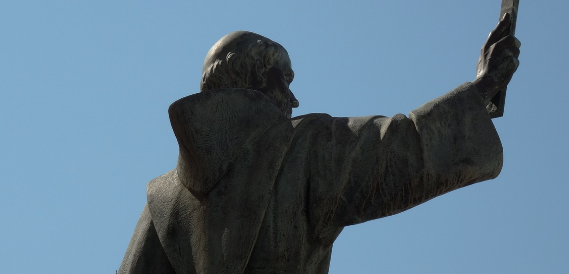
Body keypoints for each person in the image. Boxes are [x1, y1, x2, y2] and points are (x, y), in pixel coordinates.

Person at [119, 14, 520, 274]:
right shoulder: (302, 146)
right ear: (261, 78)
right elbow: (403, 148)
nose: (294, 99)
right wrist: (483, 86)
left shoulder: (163, 198)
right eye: (286, 79)